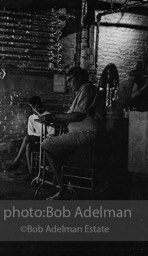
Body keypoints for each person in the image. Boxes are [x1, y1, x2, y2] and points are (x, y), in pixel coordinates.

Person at [40, 67, 105, 200]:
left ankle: (63, 189)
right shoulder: (82, 91)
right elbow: (70, 115)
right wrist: (55, 118)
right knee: (52, 148)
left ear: (79, 78)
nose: (69, 84)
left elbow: (77, 116)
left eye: (70, 80)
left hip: (86, 133)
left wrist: (54, 118)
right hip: (81, 133)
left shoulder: (87, 88)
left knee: (47, 144)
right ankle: (68, 185)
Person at [5, 96, 54, 180]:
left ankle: (16, 161)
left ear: (41, 105)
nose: (37, 109)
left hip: (46, 140)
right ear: (32, 108)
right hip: (35, 140)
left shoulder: (48, 115)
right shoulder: (31, 118)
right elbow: (30, 132)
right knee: (28, 145)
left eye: (38, 107)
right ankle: (31, 173)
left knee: (27, 138)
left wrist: (41, 136)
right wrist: (38, 135)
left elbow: (51, 133)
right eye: (35, 107)